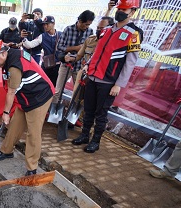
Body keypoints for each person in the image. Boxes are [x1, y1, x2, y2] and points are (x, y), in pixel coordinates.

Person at [71, 0, 143, 153]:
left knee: (101, 113)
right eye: (119, 9)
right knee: (88, 109)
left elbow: (130, 62)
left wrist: (118, 84)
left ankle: (95, 141)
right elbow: (97, 52)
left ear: (132, 12)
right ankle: (84, 135)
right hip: (92, 76)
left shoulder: (133, 33)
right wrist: (88, 66)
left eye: (124, 9)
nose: (120, 12)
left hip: (109, 81)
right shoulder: (107, 30)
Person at [0, 39, 54, 176]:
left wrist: (6, 113)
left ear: (1, 54)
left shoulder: (14, 66)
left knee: (33, 132)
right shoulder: (10, 55)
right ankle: (7, 151)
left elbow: (11, 92)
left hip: (40, 96)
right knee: (15, 125)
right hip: (26, 95)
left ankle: (32, 167)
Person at [53, 10, 95, 105]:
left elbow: (90, 50)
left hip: (80, 67)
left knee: (77, 93)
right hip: (66, 65)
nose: (87, 27)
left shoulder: (90, 32)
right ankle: (52, 110)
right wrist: (76, 48)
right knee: (57, 91)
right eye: (85, 24)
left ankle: (70, 112)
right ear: (79, 21)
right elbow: (59, 46)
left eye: (89, 25)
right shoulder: (68, 29)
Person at [23, 15, 62, 86]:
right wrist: (23, 38)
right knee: (43, 85)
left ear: (53, 24)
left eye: (47, 24)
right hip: (46, 66)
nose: (45, 26)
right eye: (44, 24)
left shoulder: (61, 35)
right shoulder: (42, 36)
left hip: (58, 66)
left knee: (55, 87)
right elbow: (29, 45)